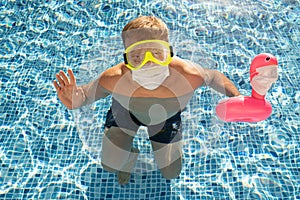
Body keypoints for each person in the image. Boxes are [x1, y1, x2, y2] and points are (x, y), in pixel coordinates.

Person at [53, 16, 241, 185]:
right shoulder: (115, 78)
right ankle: (129, 154)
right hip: (126, 113)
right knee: (110, 164)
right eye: (137, 57)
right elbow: (85, 95)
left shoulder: (187, 74)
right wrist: (76, 100)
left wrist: (236, 97)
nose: (148, 63)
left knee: (171, 173)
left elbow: (214, 77)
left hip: (166, 118)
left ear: (170, 52)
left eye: (156, 53)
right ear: (126, 58)